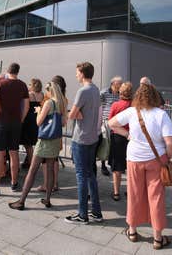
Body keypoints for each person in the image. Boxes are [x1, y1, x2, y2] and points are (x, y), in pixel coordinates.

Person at [109, 83, 172, 249]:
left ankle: (132, 231)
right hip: (156, 159)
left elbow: (111, 123)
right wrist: (166, 159)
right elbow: (171, 142)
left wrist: (128, 134)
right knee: (156, 197)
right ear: (154, 97)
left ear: (137, 97)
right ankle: (158, 238)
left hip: (134, 158)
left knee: (134, 193)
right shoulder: (161, 114)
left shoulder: (132, 112)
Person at [9, 79, 66, 210]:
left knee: (32, 170)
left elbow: (39, 122)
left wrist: (39, 111)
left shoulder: (49, 103)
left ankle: (21, 201)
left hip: (45, 140)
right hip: (55, 140)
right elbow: (63, 123)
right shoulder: (61, 103)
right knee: (50, 169)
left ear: (49, 91)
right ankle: (47, 199)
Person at [0, 63, 30, 195]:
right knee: (14, 154)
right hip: (16, 123)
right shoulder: (23, 85)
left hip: (2, 122)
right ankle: (14, 183)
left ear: (8, 71)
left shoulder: (1, 84)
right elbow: (26, 105)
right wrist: (21, 119)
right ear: (18, 72)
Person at [65, 62, 102, 224]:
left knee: (81, 176)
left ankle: (82, 214)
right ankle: (96, 212)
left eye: (77, 72)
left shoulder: (83, 91)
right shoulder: (95, 90)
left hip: (81, 138)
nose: (76, 75)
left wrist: (80, 115)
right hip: (93, 137)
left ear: (82, 73)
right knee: (91, 175)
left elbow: (72, 114)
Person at [108, 81, 133, 200]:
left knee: (117, 166)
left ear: (120, 92)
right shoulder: (134, 106)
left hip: (117, 137)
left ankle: (116, 192)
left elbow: (110, 121)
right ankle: (129, 190)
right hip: (131, 138)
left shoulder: (115, 105)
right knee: (129, 165)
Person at [99, 76, 122, 176]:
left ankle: (113, 164)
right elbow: (98, 105)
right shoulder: (104, 92)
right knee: (105, 143)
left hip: (117, 123)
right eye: (119, 84)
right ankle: (103, 165)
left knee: (114, 144)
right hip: (106, 121)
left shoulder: (120, 94)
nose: (120, 86)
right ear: (113, 84)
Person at [21, 78, 43, 169]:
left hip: (29, 119)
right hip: (37, 118)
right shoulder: (42, 94)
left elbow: (25, 107)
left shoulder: (29, 95)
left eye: (29, 85)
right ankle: (32, 161)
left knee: (28, 143)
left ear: (33, 85)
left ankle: (31, 163)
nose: (28, 86)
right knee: (34, 142)